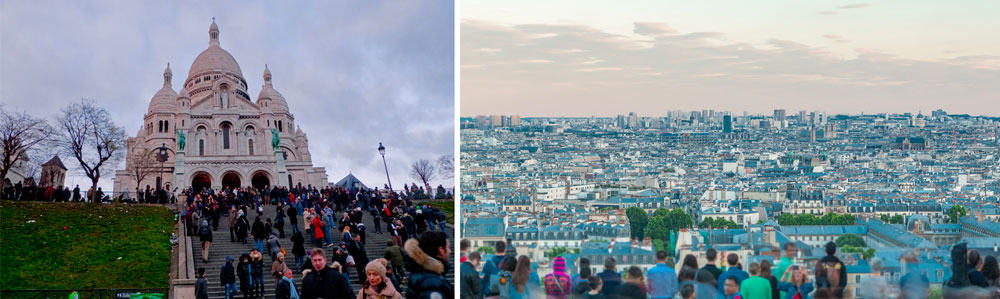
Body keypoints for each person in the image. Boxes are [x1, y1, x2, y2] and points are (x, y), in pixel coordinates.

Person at [403, 231, 453, 299]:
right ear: (441, 250)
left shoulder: (422, 273)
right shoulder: (431, 281)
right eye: (448, 247)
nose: (450, 251)